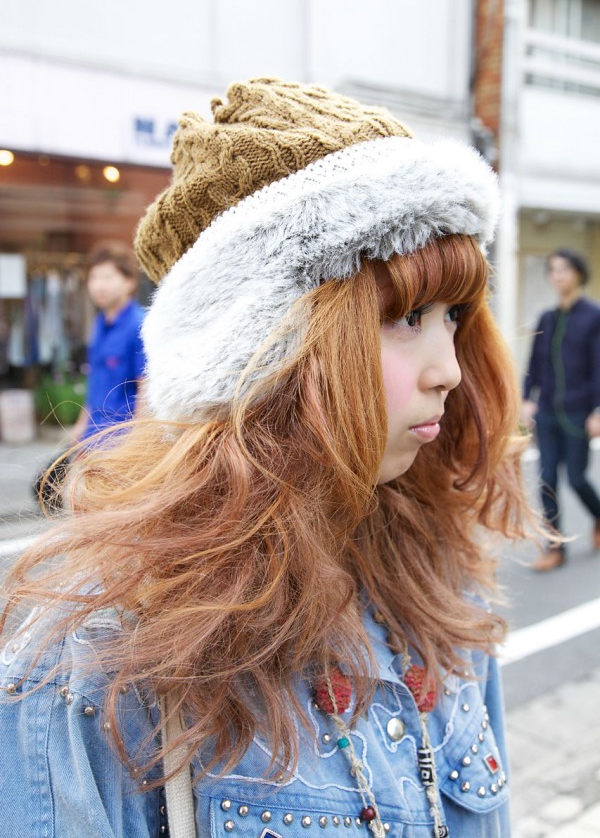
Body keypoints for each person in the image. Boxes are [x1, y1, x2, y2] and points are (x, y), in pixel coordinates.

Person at [1, 78, 536, 838]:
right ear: (267, 350)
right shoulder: (92, 669)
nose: (448, 367)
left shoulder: (436, 592)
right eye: (405, 316)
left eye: (455, 317)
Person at [522, 248, 600, 571]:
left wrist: (597, 410)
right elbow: (534, 363)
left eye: (564, 269)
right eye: (553, 270)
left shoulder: (593, 317)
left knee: (578, 479)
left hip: (579, 413)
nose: (557, 275)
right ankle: (555, 547)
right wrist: (527, 398)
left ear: (579, 273)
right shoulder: (547, 318)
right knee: (547, 479)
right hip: (548, 413)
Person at [70, 240, 146, 445]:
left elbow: (145, 391)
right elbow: (96, 386)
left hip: (121, 443)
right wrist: (79, 428)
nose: (98, 285)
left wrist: (136, 445)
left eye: (107, 277)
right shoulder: (99, 324)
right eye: (94, 277)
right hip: (92, 437)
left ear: (130, 281)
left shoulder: (139, 326)